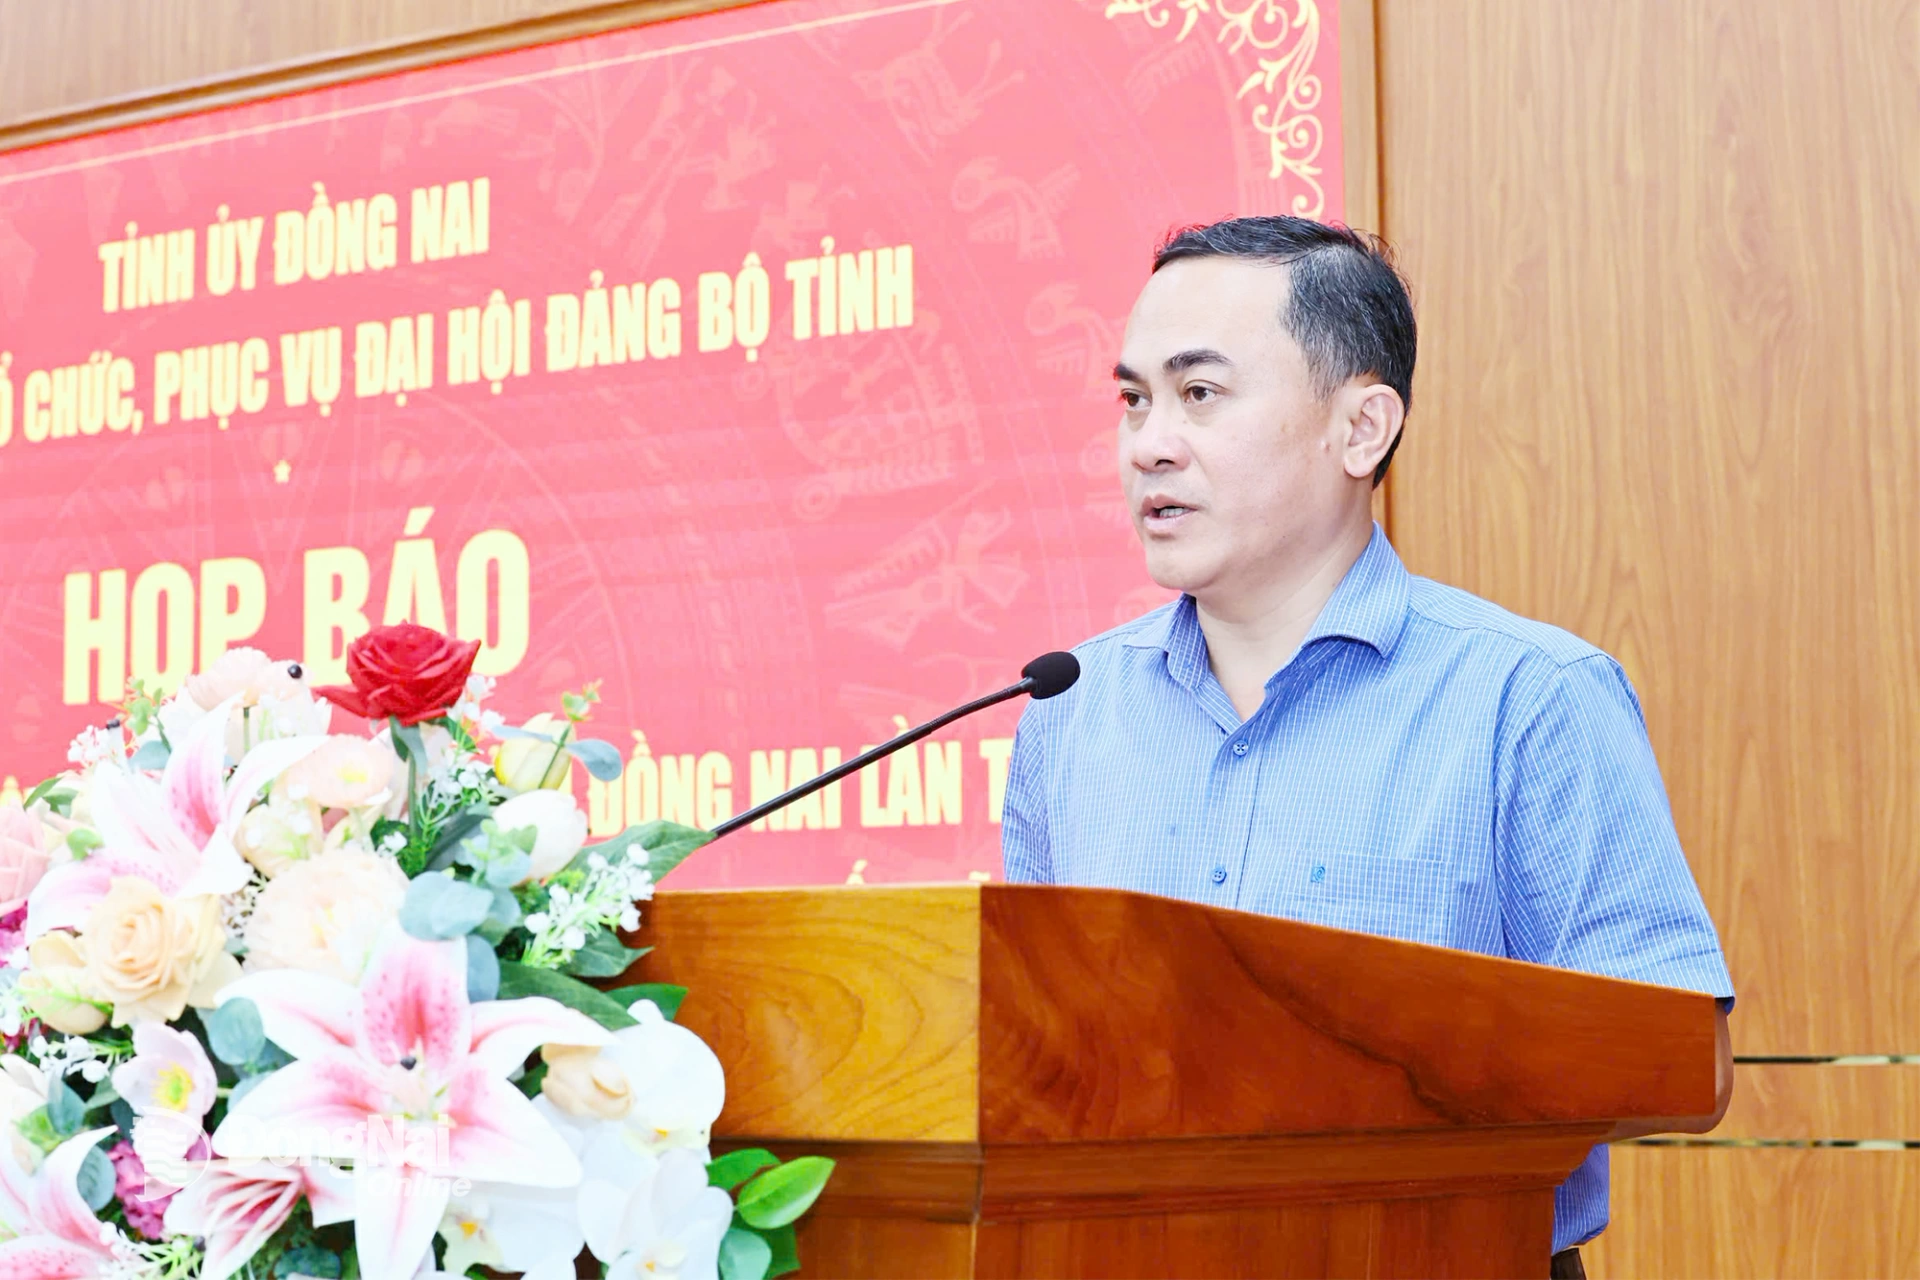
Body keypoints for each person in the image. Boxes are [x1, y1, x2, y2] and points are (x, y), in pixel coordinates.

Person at [1000, 215, 1734, 1277]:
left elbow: (1684, 1058)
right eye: (1134, 398)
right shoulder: (1071, 711)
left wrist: (1367, 1051)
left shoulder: (1528, 697)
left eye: (1200, 394)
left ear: (1361, 427)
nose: (1150, 441)